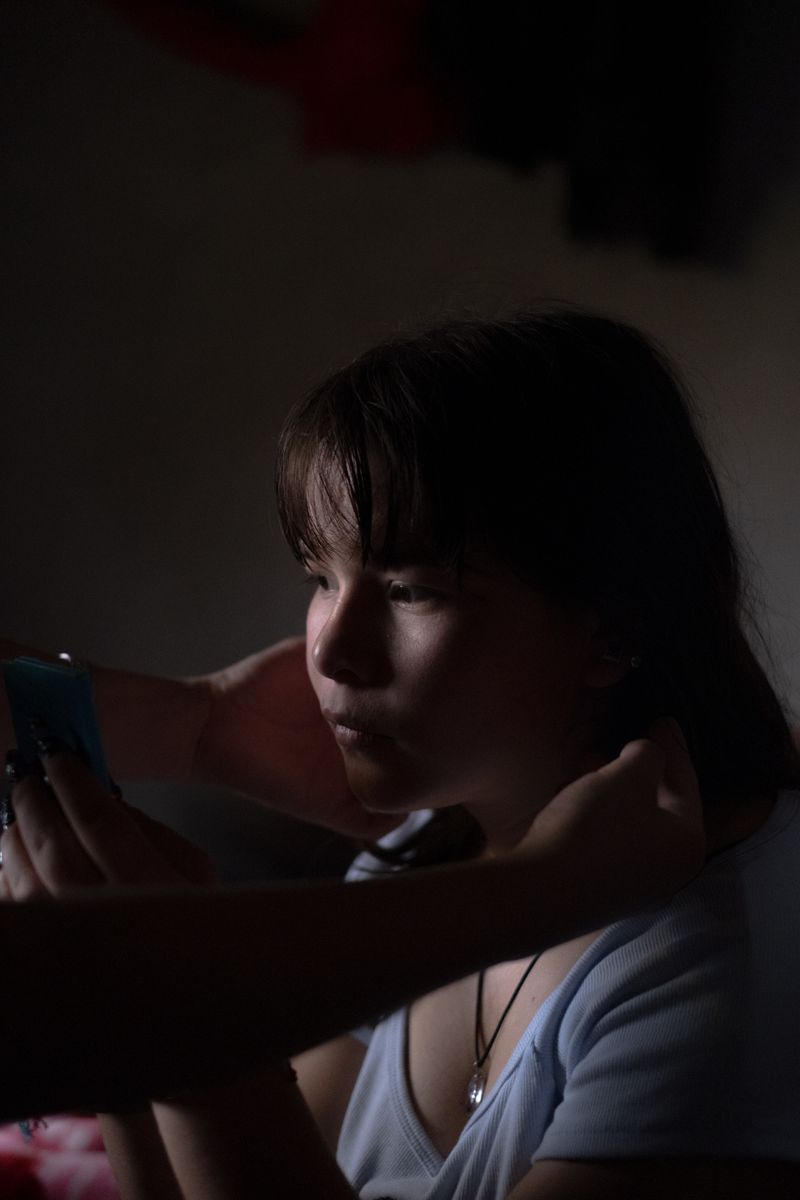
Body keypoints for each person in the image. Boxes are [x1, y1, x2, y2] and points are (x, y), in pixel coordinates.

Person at [1, 308, 799, 1199]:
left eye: (411, 588)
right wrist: (150, 1027)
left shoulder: (722, 962)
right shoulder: (416, 858)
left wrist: (174, 1013)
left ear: (613, 628)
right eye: (321, 578)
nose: (330, 651)